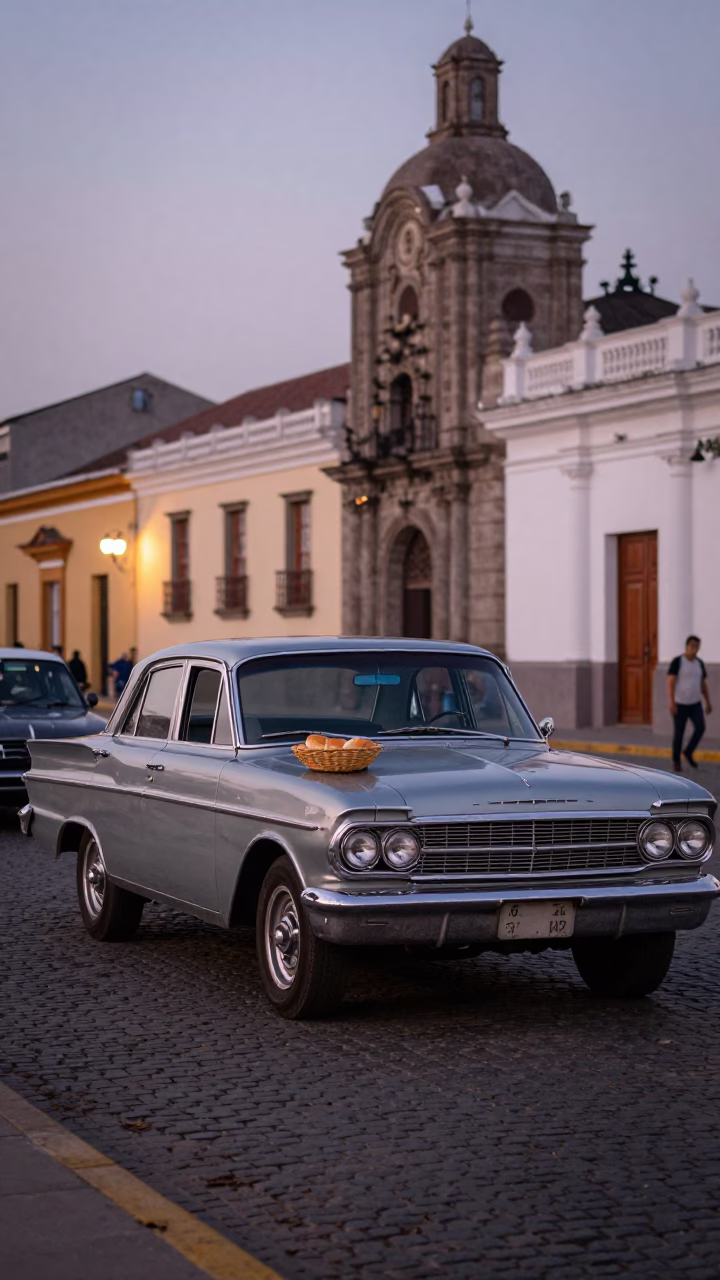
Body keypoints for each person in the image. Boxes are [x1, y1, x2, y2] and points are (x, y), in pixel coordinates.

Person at [668, 635, 713, 772]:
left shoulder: (699, 663)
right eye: (692, 646)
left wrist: (708, 701)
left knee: (700, 727)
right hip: (680, 704)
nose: (694, 649)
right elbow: (670, 682)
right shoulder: (678, 661)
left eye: (697, 647)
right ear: (686, 646)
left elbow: (703, 684)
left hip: (695, 704)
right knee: (679, 733)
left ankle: (688, 752)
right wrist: (671, 702)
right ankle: (676, 761)